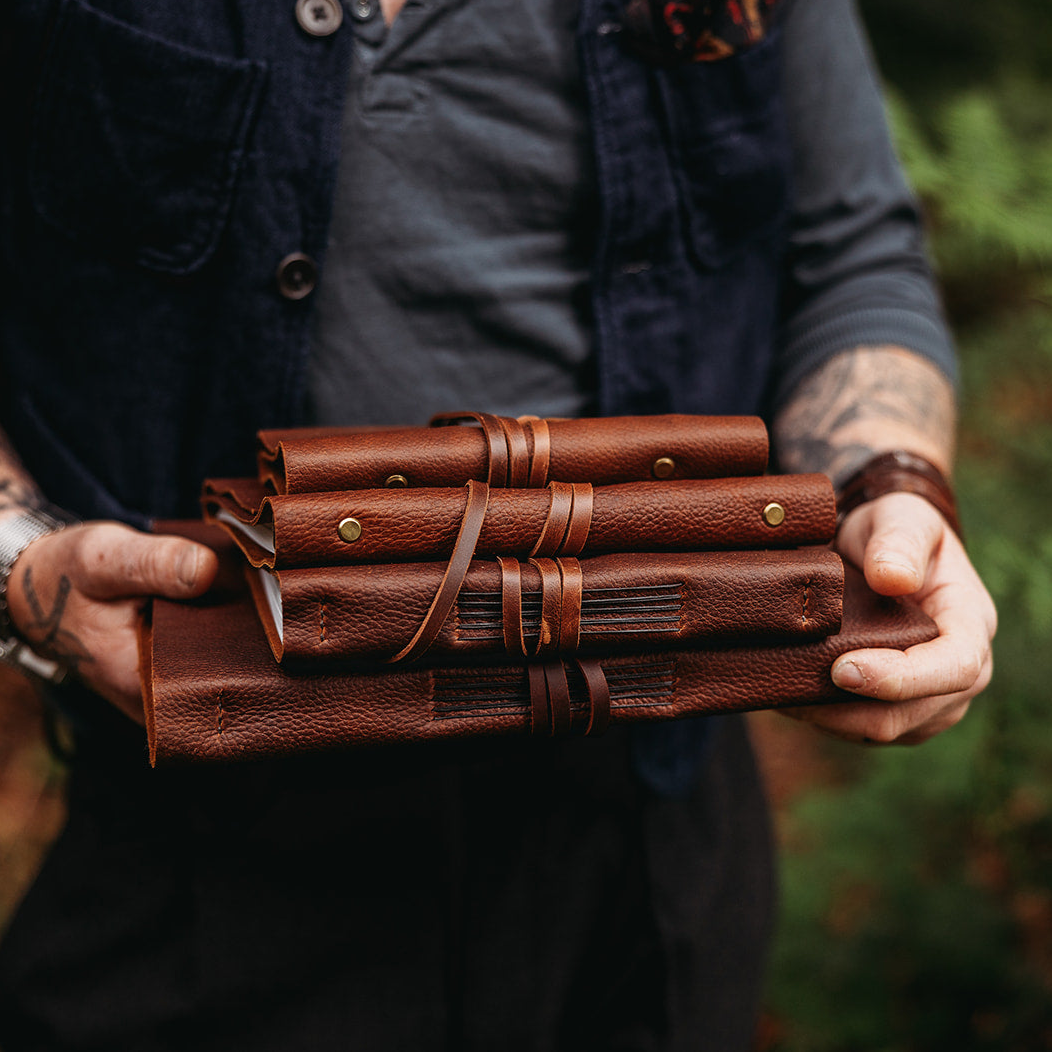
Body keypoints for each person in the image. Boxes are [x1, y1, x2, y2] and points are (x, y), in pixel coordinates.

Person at [0, 0, 995, 1048]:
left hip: (645, 817)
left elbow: (848, 253)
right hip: (196, 818)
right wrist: (19, 551)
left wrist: (893, 484)